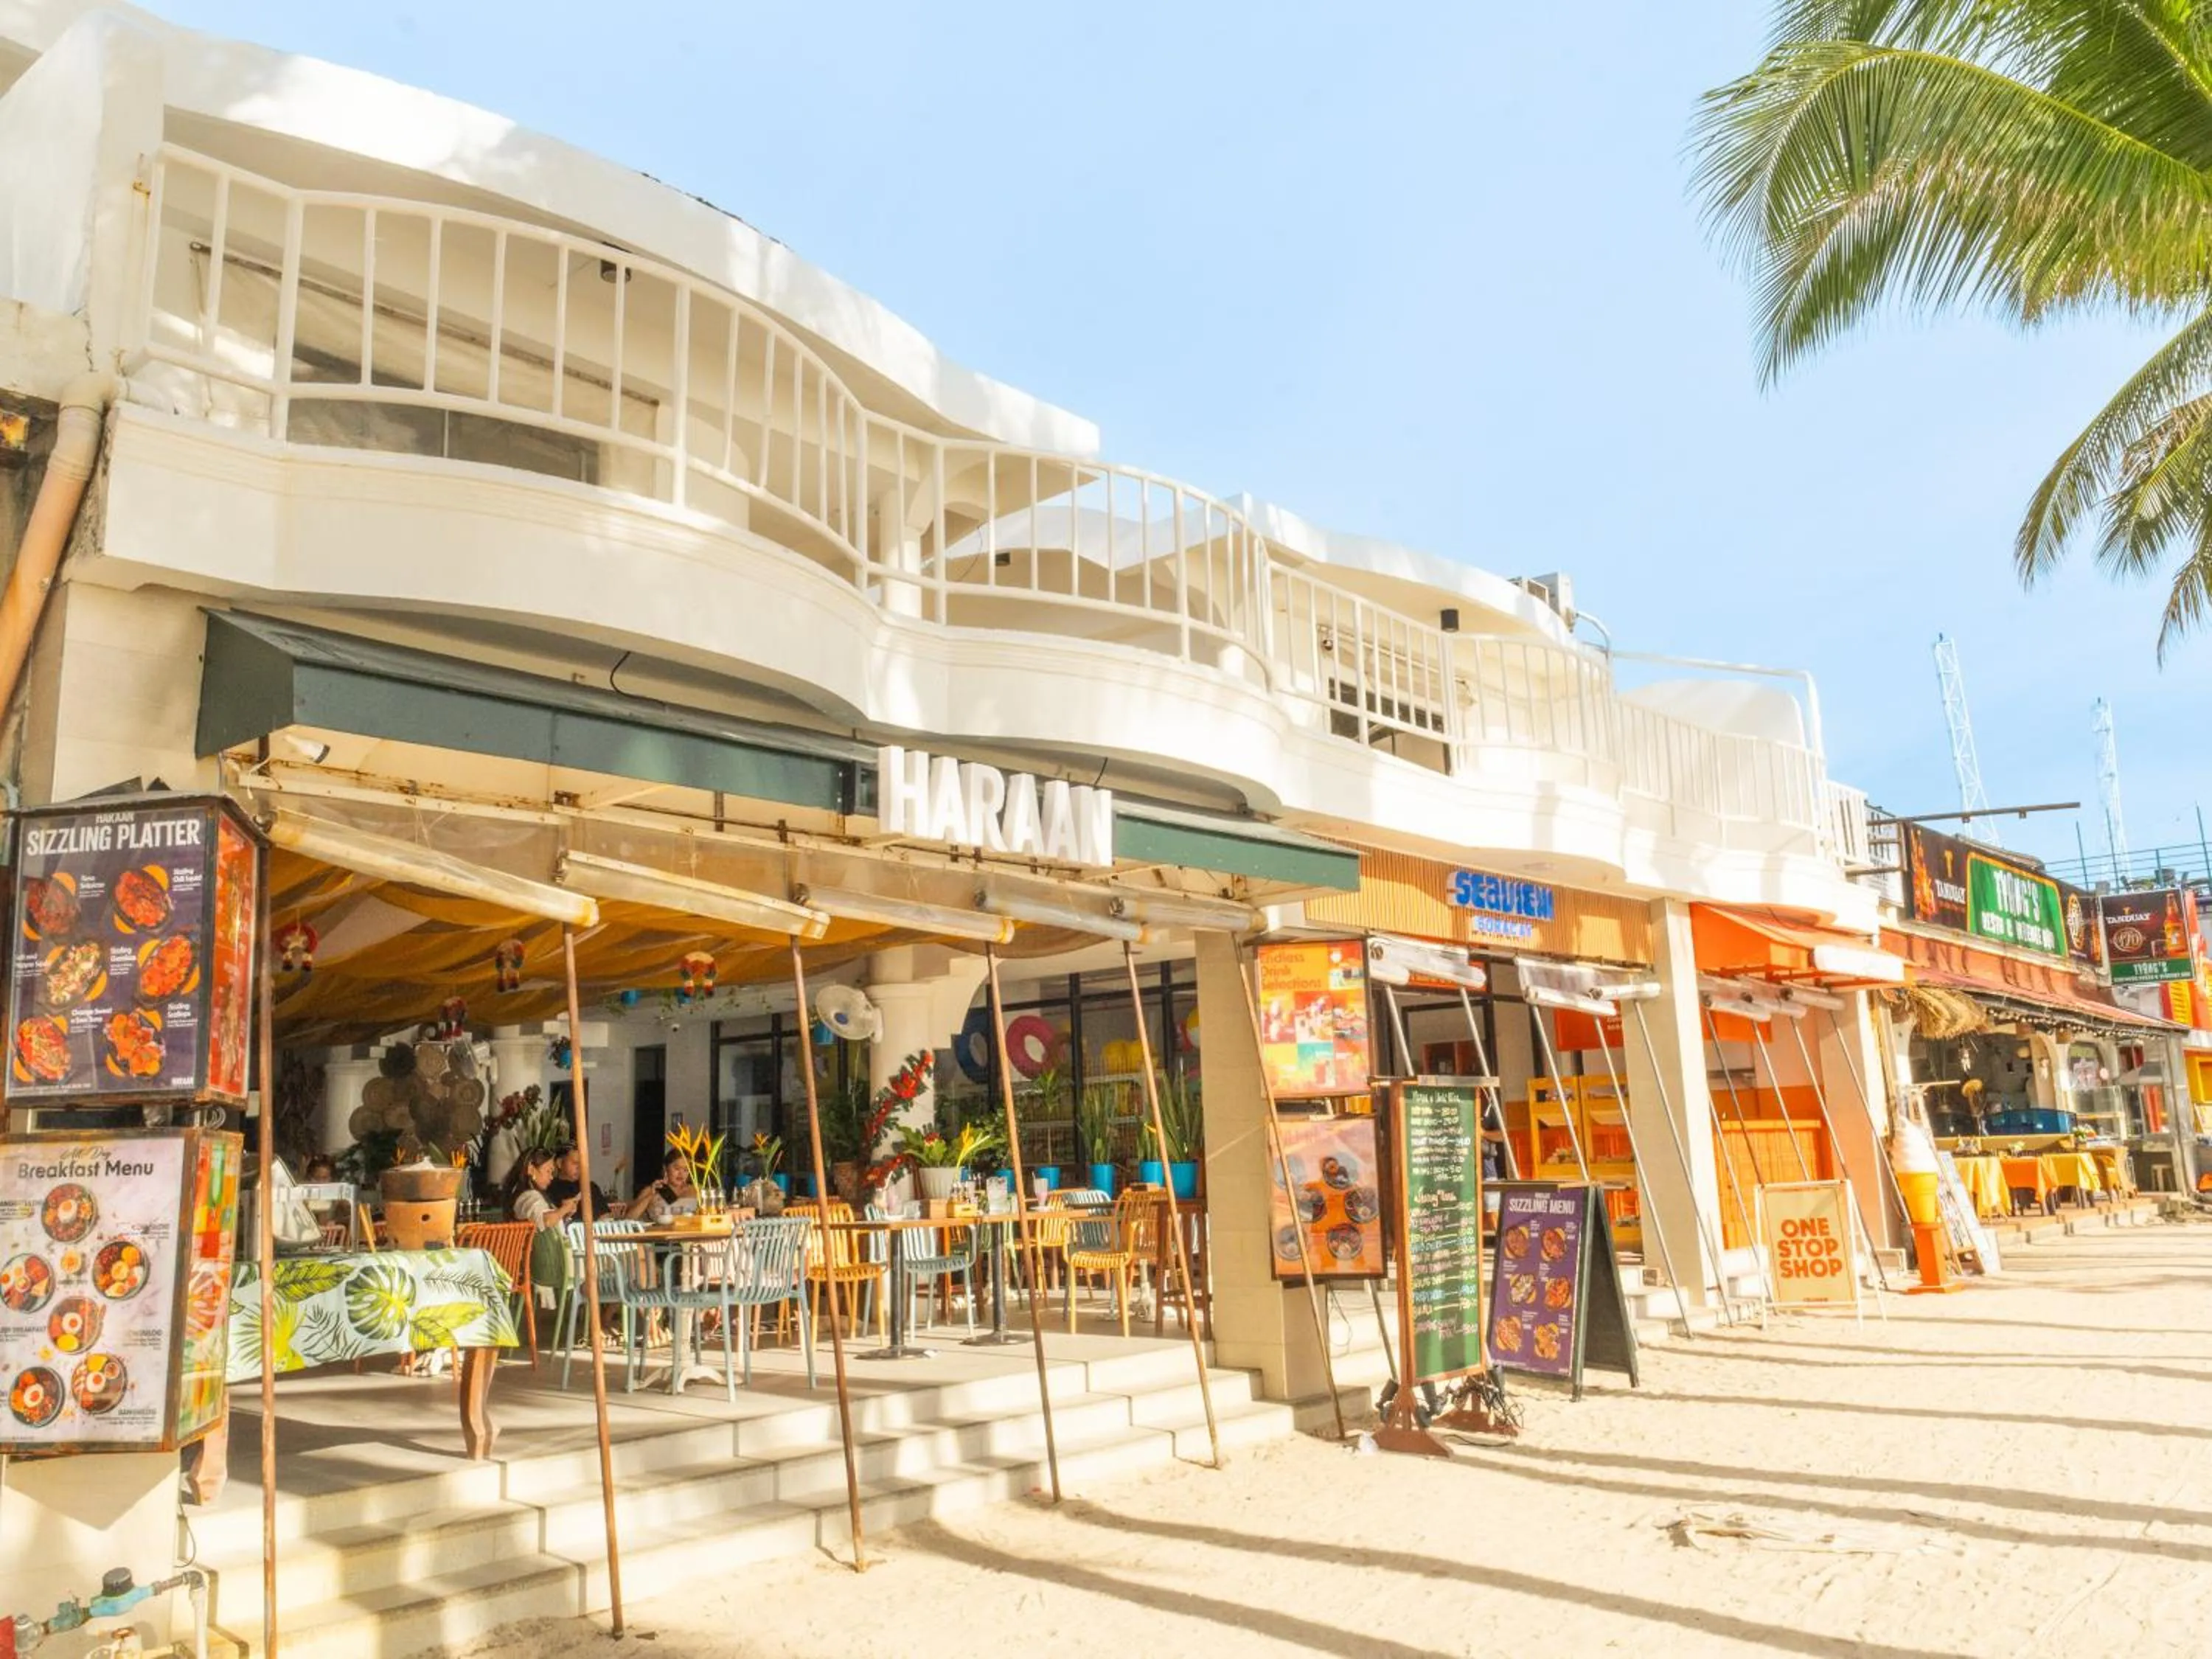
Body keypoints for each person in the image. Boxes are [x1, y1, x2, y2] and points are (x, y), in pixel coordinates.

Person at [506, 1148, 581, 1231]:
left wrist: (565, 1213)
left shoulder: (529, 1195)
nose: (551, 1177)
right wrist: (564, 1209)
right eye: (548, 1171)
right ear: (531, 1169)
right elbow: (546, 1221)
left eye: (552, 1173)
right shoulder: (529, 1196)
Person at [544, 1144, 627, 1220]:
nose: (579, 1167)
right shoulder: (551, 1188)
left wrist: (613, 1217)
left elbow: (604, 1216)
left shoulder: (591, 1187)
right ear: (559, 1163)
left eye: (582, 1163)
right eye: (575, 1163)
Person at [631, 1150, 698, 1225]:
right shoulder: (653, 1190)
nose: (681, 1174)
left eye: (686, 1170)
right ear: (665, 1168)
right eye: (677, 1168)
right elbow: (629, 1218)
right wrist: (650, 1196)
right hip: (658, 1234)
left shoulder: (695, 1190)